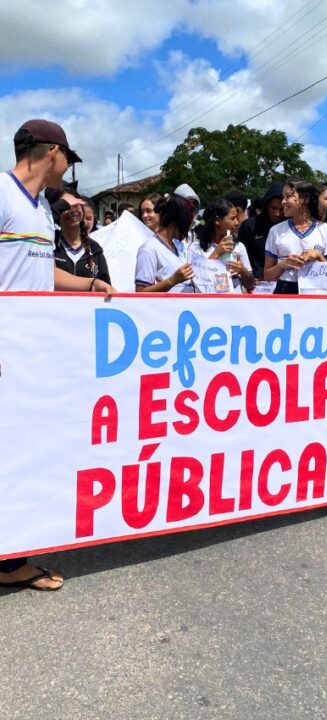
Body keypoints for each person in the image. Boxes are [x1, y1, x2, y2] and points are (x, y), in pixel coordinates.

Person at [0, 118, 113, 592]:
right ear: (52, 153)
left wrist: (89, 284)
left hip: (29, 353)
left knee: (20, 449)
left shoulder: (42, 211)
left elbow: (42, 273)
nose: (67, 169)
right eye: (68, 159)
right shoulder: (3, 193)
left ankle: (11, 555)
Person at [263, 179, 327, 295]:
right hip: (285, 290)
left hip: (316, 290)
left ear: (305, 198)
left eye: (288, 196)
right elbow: (267, 275)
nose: (283, 202)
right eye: (283, 197)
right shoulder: (276, 230)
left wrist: (318, 256)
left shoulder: (325, 229)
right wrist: (283, 265)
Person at [189, 197, 255, 293]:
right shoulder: (195, 248)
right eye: (232, 218)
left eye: (236, 217)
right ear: (217, 221)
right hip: (208, 304)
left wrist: (243, 271)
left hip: (234, 304)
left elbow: (251, 284)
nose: (236, 222)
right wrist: (216, 254)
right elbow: (196, 282)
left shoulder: (239, 247)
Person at [136, 194, 197, 293]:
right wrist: (172, 280)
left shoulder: (177, 246)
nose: (188, 228)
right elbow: (140, 292)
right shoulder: (149, 248)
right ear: (178, 221)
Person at [52, 191, 110, 284]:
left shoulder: (95, 249)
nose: (72, 211)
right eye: (66, 206)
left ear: (82, 212)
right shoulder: (49, 244)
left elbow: (106, 287)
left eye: (75, 205)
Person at [236, 181, 284, 279]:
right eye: (273, 208)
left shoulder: (290, 227)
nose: (277, 214)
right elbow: (241, 255)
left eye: (281, 209)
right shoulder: (250, 226)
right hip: (255, 282)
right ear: (266, 206)